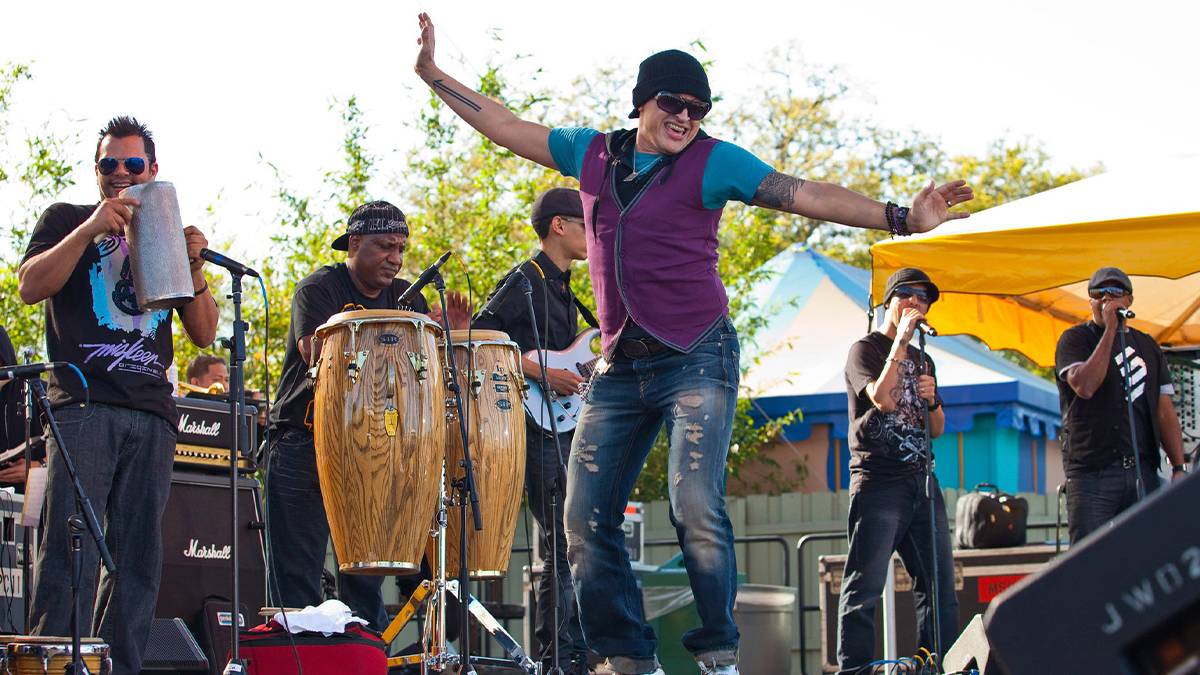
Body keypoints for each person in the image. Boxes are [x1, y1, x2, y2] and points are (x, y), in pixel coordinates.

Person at [414, 14, 973, 674]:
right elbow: (507, 126)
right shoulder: (591, 154)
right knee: (581, 518)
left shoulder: (714, 161)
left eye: (698, 109)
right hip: (621, 368)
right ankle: (630, 656)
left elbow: (803, 193)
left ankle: (718, 655)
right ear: (642, 103)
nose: (685, 117)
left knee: (693, 503)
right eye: (673, 104)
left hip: (698, 356)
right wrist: (431, 74)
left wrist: (900, 217)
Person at [17, 115, 219, 674]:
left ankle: (117, 667)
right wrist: (88, 231)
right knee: (70, 549)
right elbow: (30, 286)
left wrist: (194, 266)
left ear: (153, 170)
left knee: (138, 562)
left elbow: (204, 331)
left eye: (134, 164)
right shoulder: (65, 219)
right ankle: (50, 664)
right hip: (83, 407)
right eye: (111, 165)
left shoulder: (165, 232)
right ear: (97, 171)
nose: (122, 174)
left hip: (151, 412)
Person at [266, 200, 470, 630]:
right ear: (354, 243)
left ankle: (364, 657)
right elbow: (314, 352)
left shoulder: (407, 297)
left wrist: (444, 339)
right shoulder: (319, 289)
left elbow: (422, 378)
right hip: (304, 442)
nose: (395, 259)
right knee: (297, 575)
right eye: (383, 247)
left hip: (375, 445)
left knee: (366, 573)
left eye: (400, 248)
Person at [473, 187, 592, 673]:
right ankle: (556, 657)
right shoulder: (524, 279)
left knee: (574, 539)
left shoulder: (567, 289)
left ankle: (574, 652)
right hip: (534, 425)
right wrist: (545, 373)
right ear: (559, 226)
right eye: (585, 223)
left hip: (564, 428)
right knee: (561, 541)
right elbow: (483, 333)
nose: (593, 232)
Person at [837, 268, 957, 674]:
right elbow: (883, 399)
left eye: (923, 298)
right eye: (907, 294)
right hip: (878, 482)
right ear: (889, 301)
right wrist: (901, 340)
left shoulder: (926, 359)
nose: (916, 303)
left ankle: (933, 664)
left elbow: (936, 429)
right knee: (864, 586)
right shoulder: (864, 349)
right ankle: (855, 669)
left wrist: (934, 399)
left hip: (921, 481)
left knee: (938, 586)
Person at [1055, 267, 1187, 544]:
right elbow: (1085, 386)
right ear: (1090, 301)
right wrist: (1111, 331)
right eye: (1098, 293)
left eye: (1115, 292)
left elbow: (1164, 410)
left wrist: (1178, 467)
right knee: (1090, 561)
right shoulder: (1076, 340)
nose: (1106, 298)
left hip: (1142, 469)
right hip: (1092, 473)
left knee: (1148, 556)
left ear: (1129, 301)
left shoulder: (1148, 346)